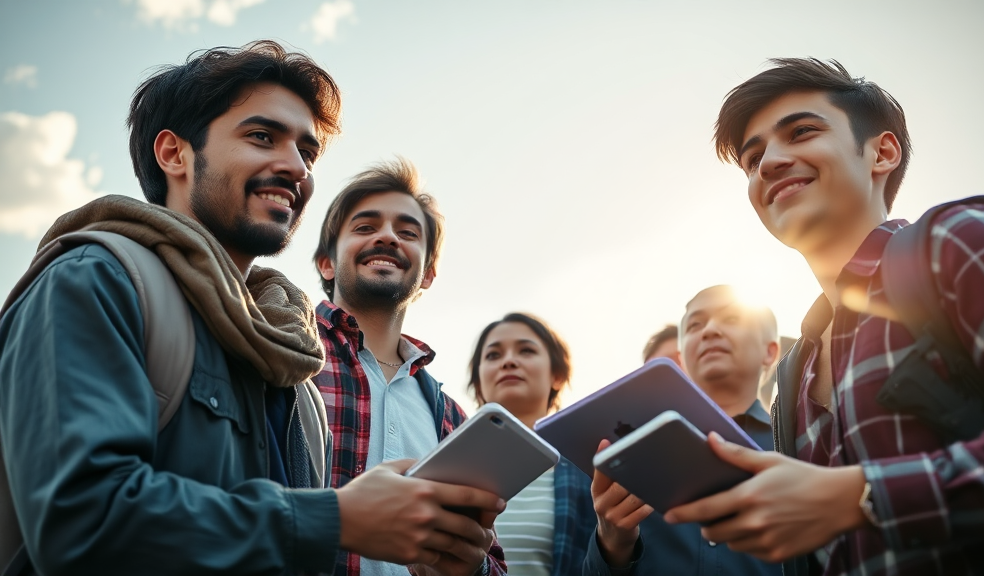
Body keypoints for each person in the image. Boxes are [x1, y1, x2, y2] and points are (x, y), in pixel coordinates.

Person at [0, 41, 503, 576]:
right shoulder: (94, 281)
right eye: (262, 136)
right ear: (173, 154)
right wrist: (335, 518)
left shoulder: (295, 372)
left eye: (307, 153)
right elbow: (79, 522)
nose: (296, 168)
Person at [666, 58, 984, 575]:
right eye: (753, 158)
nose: (769, 163)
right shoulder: (793, 374)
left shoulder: (958, 241)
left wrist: (863, 497)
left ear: (882, 153)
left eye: (801, 132)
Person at [312, 158, 507, 576]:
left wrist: (470, 567)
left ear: (428, 274)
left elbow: (491, 559)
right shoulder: (279, 350)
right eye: (365, 227)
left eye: (407, 233)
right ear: (326, 262)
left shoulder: (452, 418)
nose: (387, 236)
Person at [584, 285, 782, 575]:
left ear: (770, 351)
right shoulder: (634, 454)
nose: (709, 331)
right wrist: (612, 543)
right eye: (695, 325)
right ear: (681, 359)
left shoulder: (798, 447)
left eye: (732, 319)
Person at [466, 312, 597, 576]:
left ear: (557, 375)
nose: (509, 361)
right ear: (479, 383)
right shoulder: (453, 466)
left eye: (526, 350)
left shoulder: (589, 470)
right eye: (493, 355)